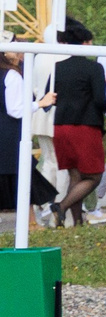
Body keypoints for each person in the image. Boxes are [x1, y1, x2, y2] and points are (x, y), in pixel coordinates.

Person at [46, 20, 106, 228]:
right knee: (94, 176)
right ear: (84, 43)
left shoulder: (57, 68)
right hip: (85, 126)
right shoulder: (94, 68)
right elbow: (100, 99)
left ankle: (78, 222)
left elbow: (49, 96)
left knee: (75, 174)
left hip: (60, 125)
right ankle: (61, 207)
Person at [1, 51, 62, 222]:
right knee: (22, 177)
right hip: (8, 134)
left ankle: (31, 222)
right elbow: (15, 109)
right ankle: (31, 223)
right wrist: (41, 103)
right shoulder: (11, 75)